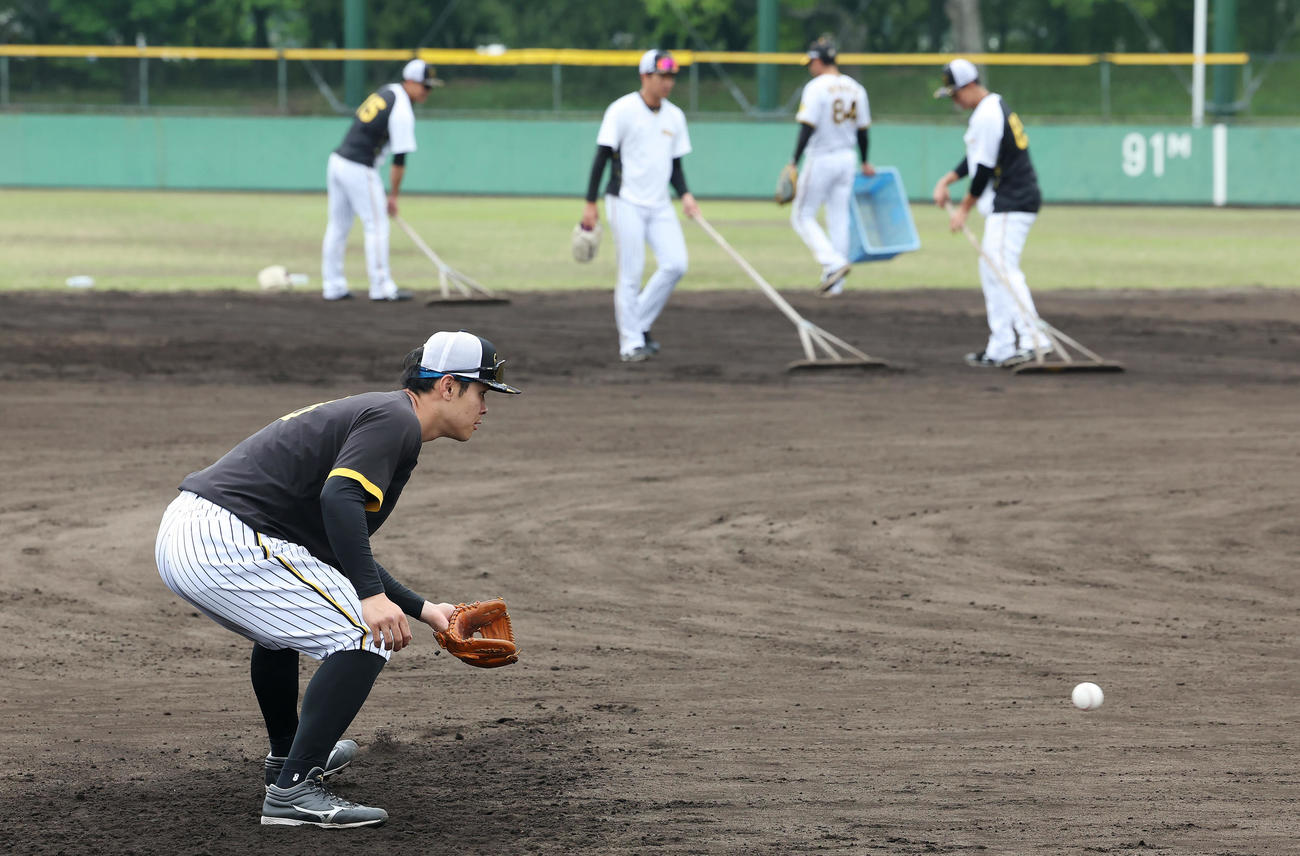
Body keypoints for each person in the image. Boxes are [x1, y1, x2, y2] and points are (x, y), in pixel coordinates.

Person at [155, 330, 521, 828]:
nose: (486, 408)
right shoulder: (396, 422)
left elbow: (332, 547)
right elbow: (338, 501)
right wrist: (370, 599)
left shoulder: (386, 417)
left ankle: (287, 761)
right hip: (225, 538)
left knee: (284, 629)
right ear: (449, 387)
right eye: (483, 393)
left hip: (200, 531)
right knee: (363, 635)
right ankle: (293, 793)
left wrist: (427, 610)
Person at [580, 49, 700, 363]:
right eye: (662, 76)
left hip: (660, 204)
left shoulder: (675, 116)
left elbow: (676, 166)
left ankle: (639, 322)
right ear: (645, 76)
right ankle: (631, 343)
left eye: (672, 77)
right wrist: (590, 203)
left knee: (676, 264)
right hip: (625, 201)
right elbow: (601, 158)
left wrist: (685, 195)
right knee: (631, 273)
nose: (668, 83)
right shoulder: (622, 110)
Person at [931, 58, 1052, 367]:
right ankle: (1001, 346)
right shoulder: (989, 109)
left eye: (956, 94)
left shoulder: (987, 114)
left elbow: (983, 171)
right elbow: (975, 158)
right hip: (1010, 200)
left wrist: (963, 210)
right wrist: (948, 179)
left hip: (1014, 200)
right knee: (991, 269)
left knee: (1003, 267)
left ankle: (1034, 340)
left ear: (970, 86)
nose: (955, 101)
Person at [321, 58, 442, 302]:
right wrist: (394, 196)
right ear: (409, 81)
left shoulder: (388, 91)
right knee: (376, 226)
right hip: (358, 167)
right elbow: (399, 160)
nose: (427, 91)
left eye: (430, 86)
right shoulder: (403, 110)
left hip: (338, 161)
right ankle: (381, 286)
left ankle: (332, 285)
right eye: (424, 85)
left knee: (338, 226)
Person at [788, 37, 873, 298]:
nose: (810, 67)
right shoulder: (856, 88)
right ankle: (836, 284)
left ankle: (832, 263)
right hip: (847, 158)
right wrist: (865, 160)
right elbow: (863, 131)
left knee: (801, 216)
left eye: (811, 62)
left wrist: (793, 160)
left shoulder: (816, 87)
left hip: (821, 157)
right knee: (838, 218)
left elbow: (807, 126)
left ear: (818, 60)